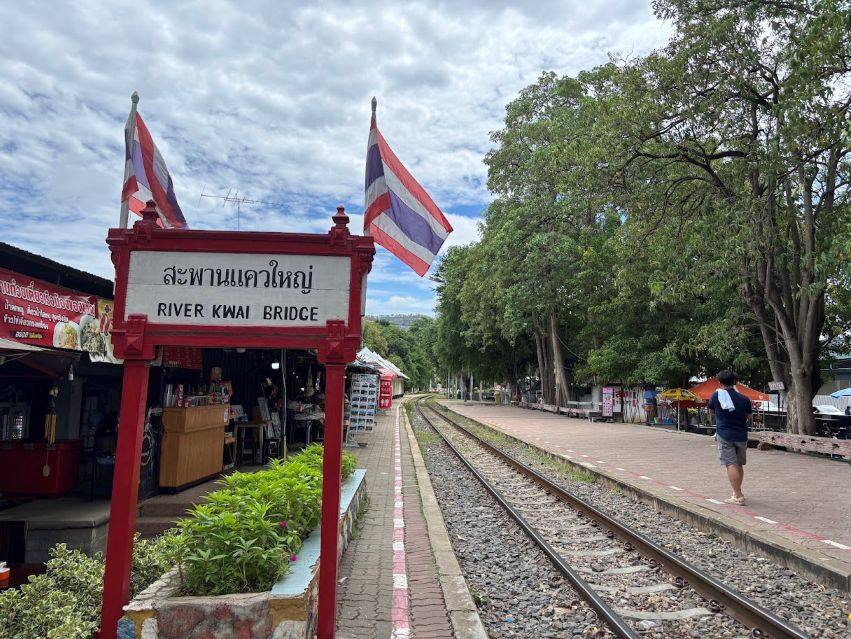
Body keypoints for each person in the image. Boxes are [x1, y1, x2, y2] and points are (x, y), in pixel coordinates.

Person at [706, 370, 752, 505]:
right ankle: (737, 491)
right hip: (742, 435)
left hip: (725, 434)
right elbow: (749, 417)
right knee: (739, 464)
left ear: (719, 382)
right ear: (734, 381)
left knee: (730, 463)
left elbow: (711, 411)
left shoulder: (716, 395)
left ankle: (738, 496)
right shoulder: (744, 399)